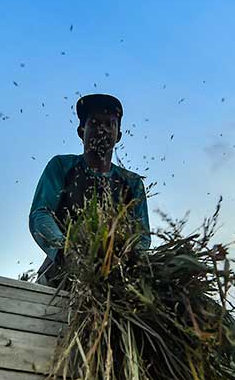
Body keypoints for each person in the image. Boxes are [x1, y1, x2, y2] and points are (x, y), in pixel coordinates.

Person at [28, 94, 150, 286]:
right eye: (94, 123)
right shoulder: (61, 166)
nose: (102, 129)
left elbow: (141, 236)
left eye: (110, 124)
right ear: (81, 130)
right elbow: (40, 214)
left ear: (118, 135)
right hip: (60, 275)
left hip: (116, 281)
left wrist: (128, 260)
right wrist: (66, 250)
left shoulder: (132, 183)